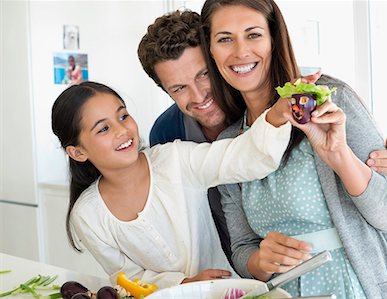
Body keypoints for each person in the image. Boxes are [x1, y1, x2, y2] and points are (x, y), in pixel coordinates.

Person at [137, 9, 387, 270]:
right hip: (230, 275)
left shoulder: (310, 98)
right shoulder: (167, 136)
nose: (199, 97)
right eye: (179, 88)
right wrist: (252, 263)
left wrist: (386, 180)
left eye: (204, 75)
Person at [199, 0, 387, 298]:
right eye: (224, 39)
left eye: (253, 34)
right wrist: (261, 260)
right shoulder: (229, 144)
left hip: (356, 287)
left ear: (275, 38)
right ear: (210, 50)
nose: (240, 52)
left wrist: (338, 155)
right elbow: (241, 251)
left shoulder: (328, 100)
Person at [51, 80, 313, 289]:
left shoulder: (175, 159)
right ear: (77, 152)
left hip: (231, 292)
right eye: (103, 129)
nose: (122, 131)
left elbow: (241, 157)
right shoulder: (87, 216)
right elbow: (127, 280)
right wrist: (184, 285)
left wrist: (277, 116)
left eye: (122, 116)